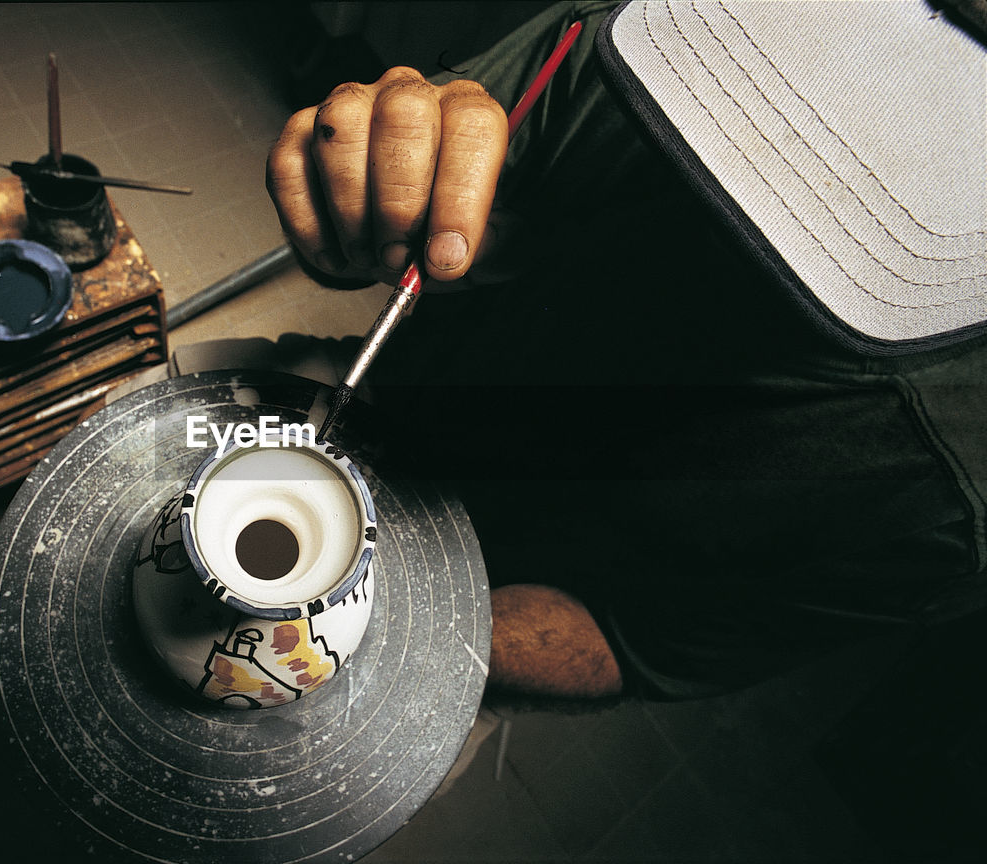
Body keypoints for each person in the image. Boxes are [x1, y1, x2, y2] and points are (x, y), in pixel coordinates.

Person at [265, 1, 987, 700]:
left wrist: (388, 632)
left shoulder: (948, 504)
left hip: (462, 613)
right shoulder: (647, 33)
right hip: (378, 392)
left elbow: (639, 642)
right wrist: (362, 194)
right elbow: (388, 171)